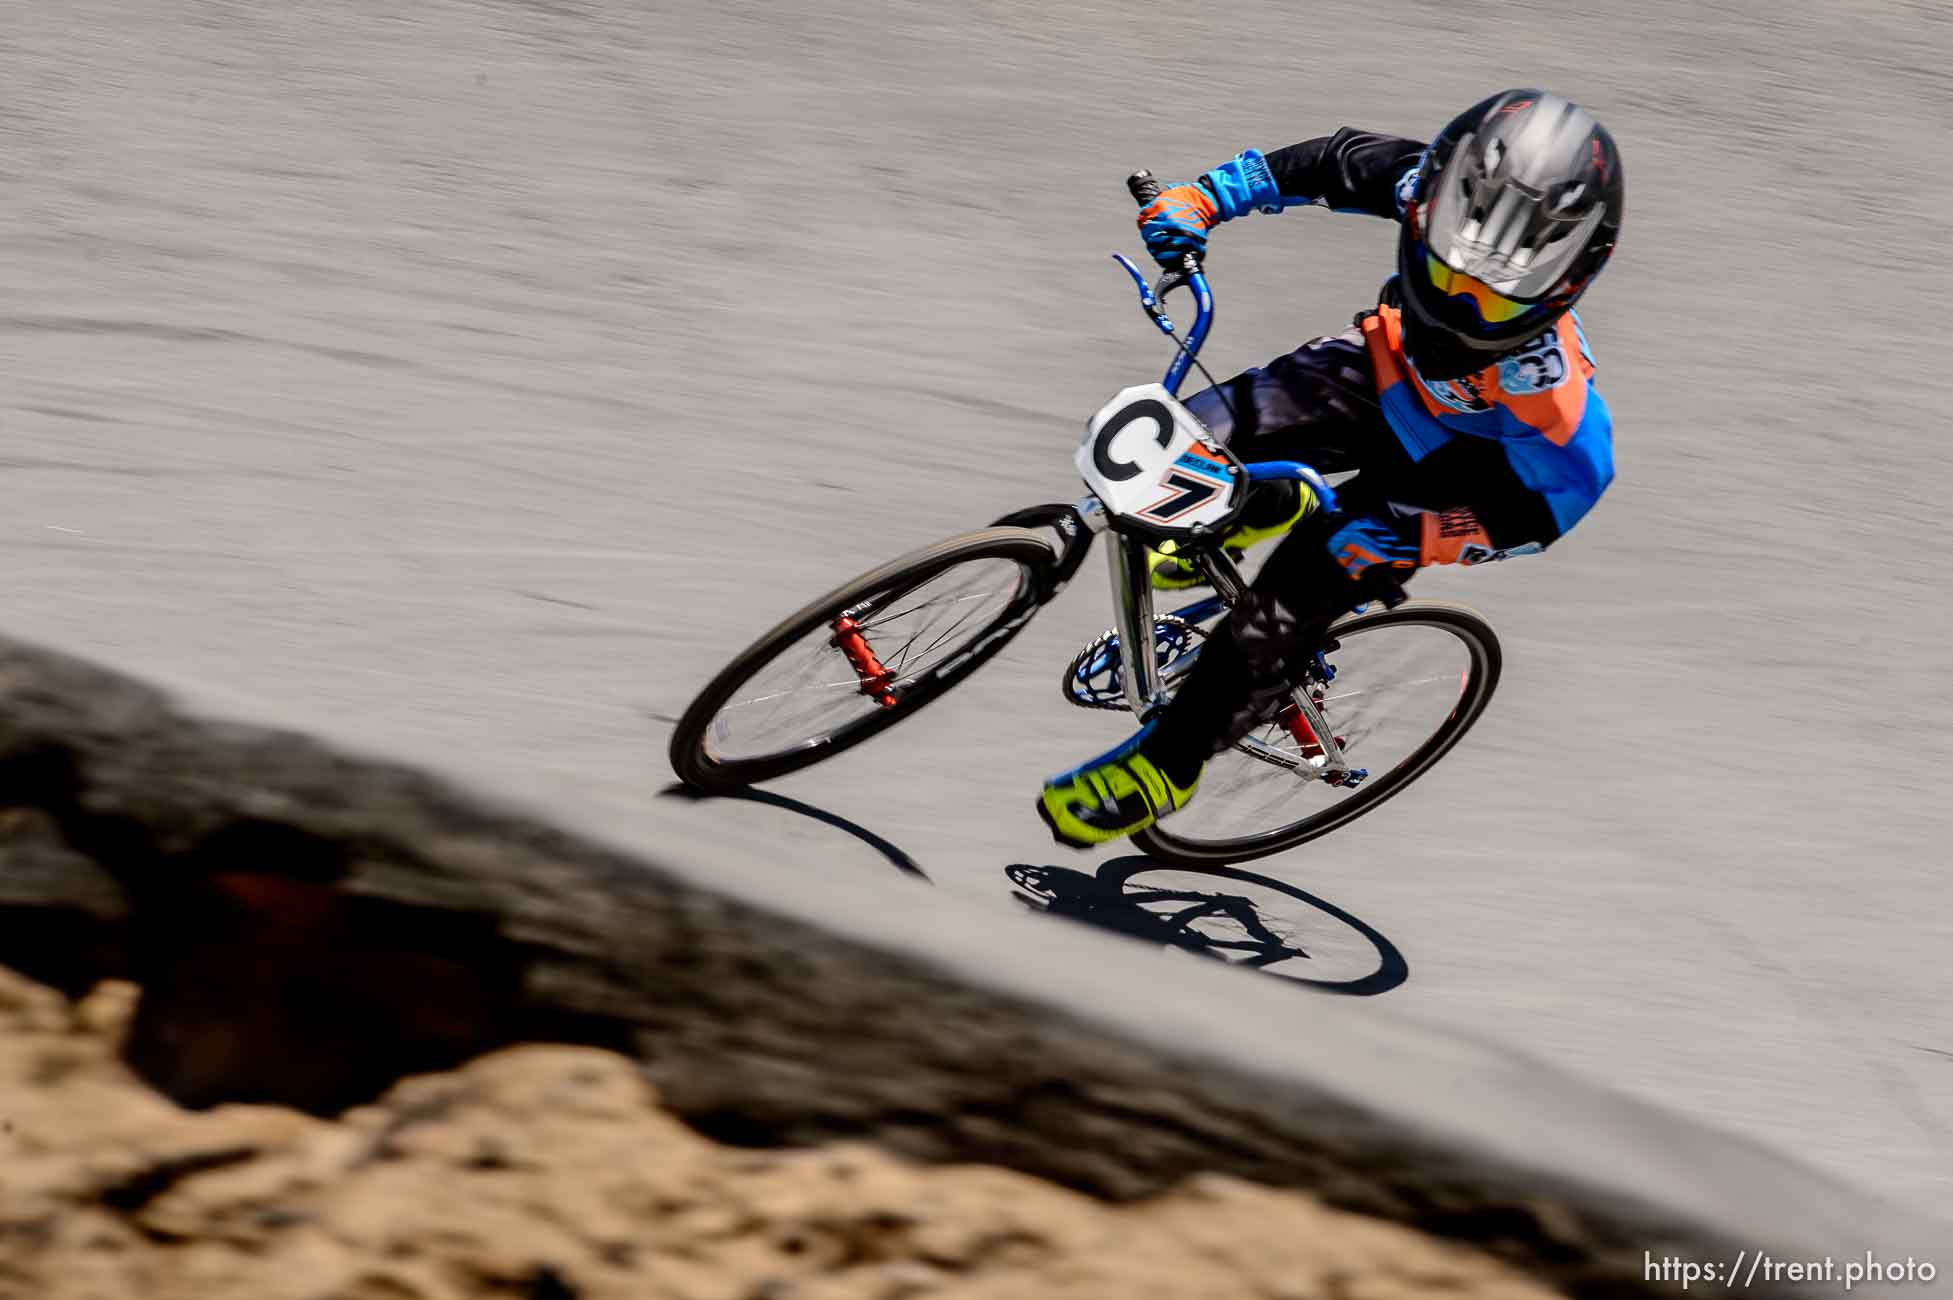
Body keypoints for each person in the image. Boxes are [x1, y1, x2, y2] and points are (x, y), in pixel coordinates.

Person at [1037, 89, 1623, 847]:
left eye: (1496, 301)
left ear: (1566, 279)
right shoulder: (1422, 183)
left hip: (1457, 477)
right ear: (1438, 203)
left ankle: (1166, 764)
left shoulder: (1550, 392)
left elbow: (1557, 503)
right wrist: (1200, 200)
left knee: (1296, 594)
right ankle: (1265, 503)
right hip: (1373, 374)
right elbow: (1327, 162)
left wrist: (1432, 536)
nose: (1463, 309)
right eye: (1446, 275)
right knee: (1184, 445)